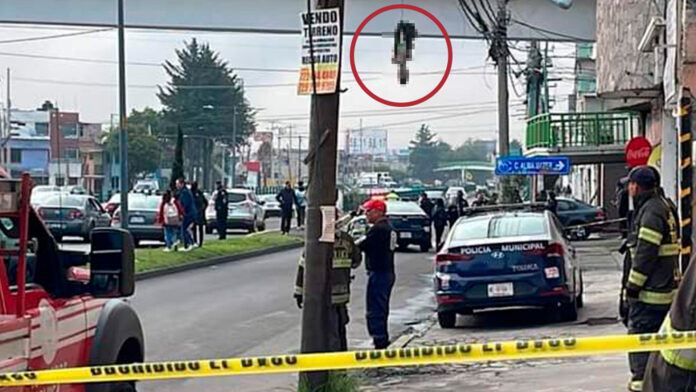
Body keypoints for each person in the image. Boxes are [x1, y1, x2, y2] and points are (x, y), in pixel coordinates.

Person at [622, 166, 680, 392]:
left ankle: (640, 387)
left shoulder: (650, 211)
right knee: (664, 350)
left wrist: (632, 288)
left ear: (636, 186)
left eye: (630, 184)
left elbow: (646, 253)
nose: (629, 188)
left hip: (650, 296)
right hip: (667, 292)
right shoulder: (665, 205)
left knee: (640, 348)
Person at [293, 213, 362, 351]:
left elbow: (303, 269)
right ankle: (342, 361)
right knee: (340, 329)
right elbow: (356, 261)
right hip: (342, 294)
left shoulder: (315, 242)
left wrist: (299, 293)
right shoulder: (347, 239)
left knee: (328, 333)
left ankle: (333, 367)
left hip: (322, 296)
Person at [356, 198, 397, 349]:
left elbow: (361, 245)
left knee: (376, 308)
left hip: (379, 273)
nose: (366, 215)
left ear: (378, 212)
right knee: (381, 306)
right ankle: (381, 337)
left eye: (369, 212)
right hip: (387, 272)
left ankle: (379, 339)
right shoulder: (389, 227)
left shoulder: (379, 230)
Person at [175, 178, 197, 251]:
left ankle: (188, 244)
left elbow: (184, 204)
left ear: (182, 184)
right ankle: (191, 243)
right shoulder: (185, 191)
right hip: (190, 213)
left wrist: (182, 213)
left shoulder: (184, 192)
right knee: (185, 229)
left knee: (184, 229)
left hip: (188, 213)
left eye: (177, 184)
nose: (176, 186)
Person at [190, 181, 208, 247]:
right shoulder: (191, 193)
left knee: (199, 228)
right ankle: (195, 241)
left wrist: (203, 209)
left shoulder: (199, 193)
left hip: (198, 213)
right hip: (194, 212)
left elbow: (205, 202)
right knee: (194, 228)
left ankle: (199, 242)